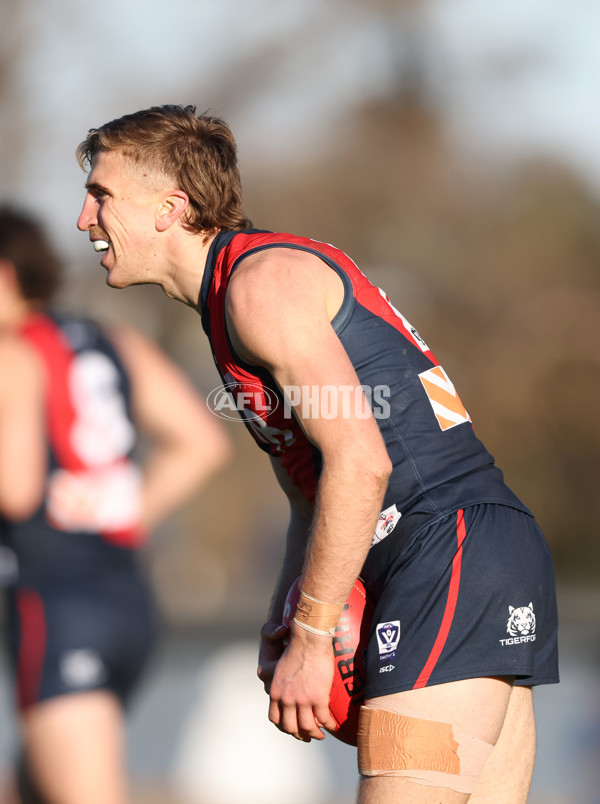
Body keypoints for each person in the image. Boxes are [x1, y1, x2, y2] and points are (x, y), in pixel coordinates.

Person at [75, 104, 559, 804]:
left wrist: (313, 635)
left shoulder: (259, 288)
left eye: (101, 195)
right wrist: (288, 614)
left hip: (446, 548)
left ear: (168, 209)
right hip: (463, 547)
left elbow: (362, 462)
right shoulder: (232, 299)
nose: (85, 219)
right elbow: (309, 485)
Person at [0, 205, 233, 804]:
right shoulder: (110, 340)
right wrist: (121, 513)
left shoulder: (8, 353)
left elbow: (16, 488)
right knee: (36, 784)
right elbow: (201, 443)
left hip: (54, 602)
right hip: (126, 601)